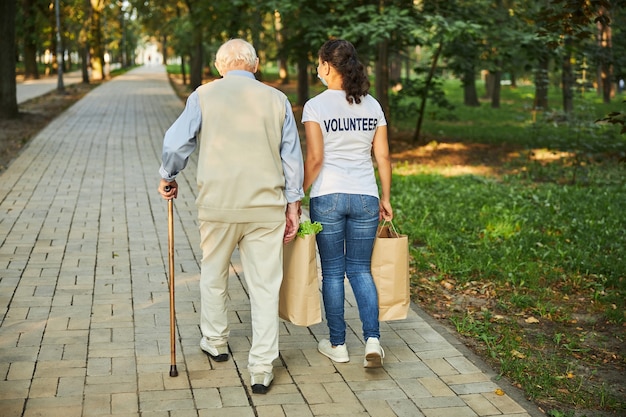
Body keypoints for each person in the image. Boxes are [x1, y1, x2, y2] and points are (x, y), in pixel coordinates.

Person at [158, 39, 304, 394]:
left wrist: (168, 175)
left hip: (218, 206)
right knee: (265, 286)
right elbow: (292, 159)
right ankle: (262, 366)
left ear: (221, 66)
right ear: (254, 65)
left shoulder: (203, 96)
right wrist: (293, 205)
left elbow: (177, 143)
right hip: (264, 208)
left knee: (212, 273)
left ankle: (216, 341)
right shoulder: (277, 99)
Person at [302, 39, 393, 368]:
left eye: (318, 63)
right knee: (360, 270)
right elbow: (382, 156)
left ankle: (338, 344)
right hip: (366, 196)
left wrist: (297, 192)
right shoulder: (372, 106)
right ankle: (372, 340)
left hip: (327, 195)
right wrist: (385, 197)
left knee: (333, 272)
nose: (317, 69)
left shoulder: (316, 106)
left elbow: (315, 158)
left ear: (327, 66)